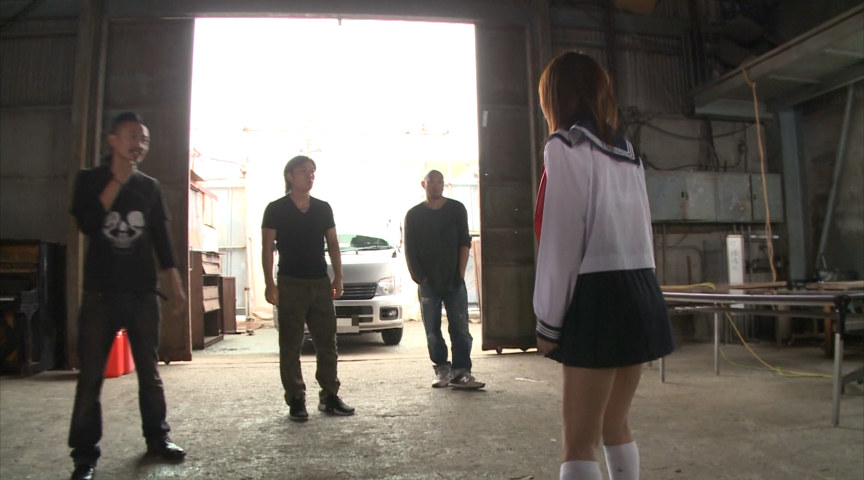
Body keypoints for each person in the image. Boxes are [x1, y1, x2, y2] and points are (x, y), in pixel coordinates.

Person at [532, 52, 675, 480]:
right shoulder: (626, 150)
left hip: (600, 299)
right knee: (615, 425)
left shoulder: (564, 146)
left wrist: (547, 322)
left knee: (579, 441)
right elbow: (642, 231)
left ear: (554, 96)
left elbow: (561, 243)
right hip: (640, 291)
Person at [67, 112, 187, 480]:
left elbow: (162, 241)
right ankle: (84, 457)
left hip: (141, 295)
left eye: (144, 139)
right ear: (113, 140)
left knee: (149, 373)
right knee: (90, 378)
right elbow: (88, 223)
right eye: (132, 136)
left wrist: (175, 285)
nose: (139, 144)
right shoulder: (89, 180)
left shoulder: (150, 187)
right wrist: (117, 180)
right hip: (100, 295)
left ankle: (158, 438)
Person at [262, 155, 354, 422]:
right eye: (303, 171)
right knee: (290, 343)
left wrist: (338, 277)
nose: (310, 175)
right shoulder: (276, 209)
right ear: (289, 176)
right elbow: (267, 248)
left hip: (319, 282)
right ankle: (296, 398)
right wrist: (269, 283)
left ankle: (329, 395)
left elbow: (333, 244)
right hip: (290, 282)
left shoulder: (322, 208)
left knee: (327, 342)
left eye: (312, 171)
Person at [404, 170, 484, 389]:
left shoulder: (456, 209)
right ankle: (442, 369)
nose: (436, 185)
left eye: (440, 181)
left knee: (460, 327)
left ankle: (462, 372)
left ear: (443, 184)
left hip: (453, 280)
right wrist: (420, 277)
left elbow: (464, 242)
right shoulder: (414, 215)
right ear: (424, 184)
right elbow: (410, 249)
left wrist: (460, 274)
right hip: (428, 283)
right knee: (432, 329)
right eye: (431, 181)